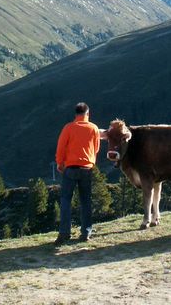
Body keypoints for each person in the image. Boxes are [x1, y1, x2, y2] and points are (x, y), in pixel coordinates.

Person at [54, 102, 101, 244]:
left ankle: (64, 233)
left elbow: (61, 147)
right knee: (85, 200)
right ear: (88, 113)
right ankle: (86, 232)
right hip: (87, 168)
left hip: (70, 168)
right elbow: (96, 148)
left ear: (75, 114)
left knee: (66, 200)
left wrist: (59, 163)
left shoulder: (69, 127)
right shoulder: (94, 128)